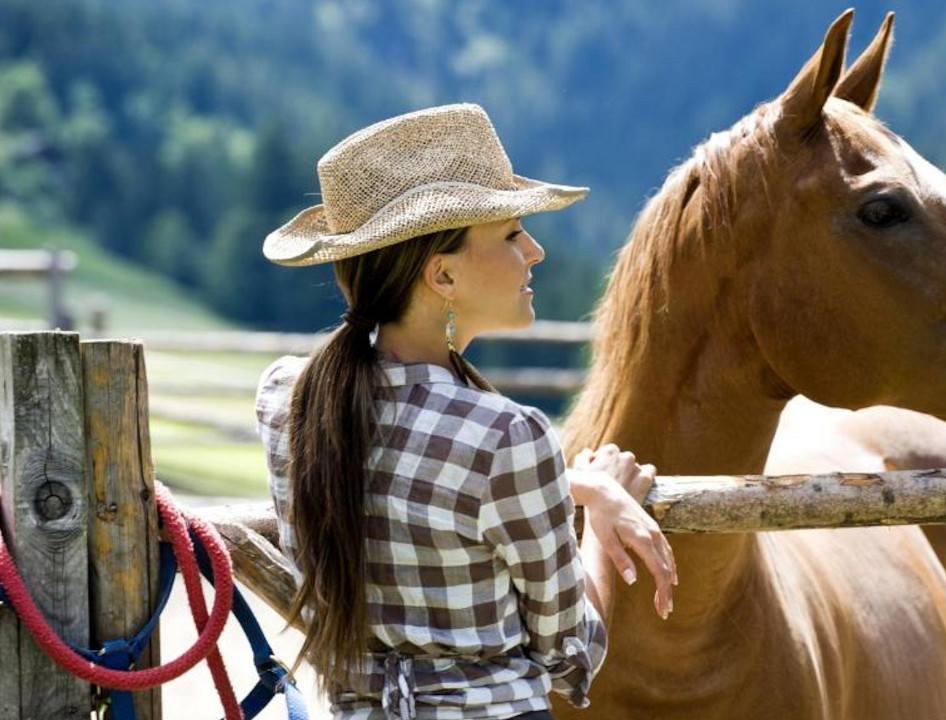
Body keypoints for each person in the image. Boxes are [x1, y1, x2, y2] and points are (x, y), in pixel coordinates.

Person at [254, 103, 677, 720]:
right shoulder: (507, 436)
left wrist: (570, 484)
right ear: (442, 276)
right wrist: (604, 516)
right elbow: (569, 650)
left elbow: (415, 477)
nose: (535, 251)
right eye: (510, 235)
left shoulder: (287, 400)